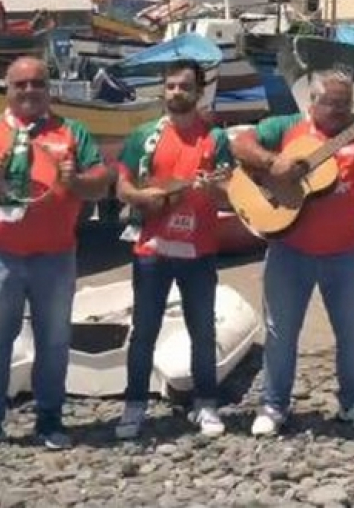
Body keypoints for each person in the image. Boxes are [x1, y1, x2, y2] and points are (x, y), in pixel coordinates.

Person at [231, 70, 354, 437]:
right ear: (312, 101)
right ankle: (274, 405)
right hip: (290, 249)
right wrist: (272, 163)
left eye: (345, 104)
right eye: (331, 103)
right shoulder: (285, 126)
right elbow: (240, 143)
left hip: (347, 252)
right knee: (281, 332)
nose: (339, 111)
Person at [113, 60, 233, 440]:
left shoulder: (216, 139)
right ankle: (134, 406)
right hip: (152, 252)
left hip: (199, 252)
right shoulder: (145, 136)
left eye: (184, 87)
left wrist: (211, 187)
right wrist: (144, 197)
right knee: (144, 331)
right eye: (170, 86)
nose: (176, 93)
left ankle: (206, 403)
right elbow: (123, 187)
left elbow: (229, 189)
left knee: (202, 329)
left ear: (199, 93)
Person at [0, 56, 114, 449]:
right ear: (8, 88)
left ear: (49, 89)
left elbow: (101, 184)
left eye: (38, 83)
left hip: (56, 256)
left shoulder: (72, 131)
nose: (30, 90)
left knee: (53, 341)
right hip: (2, 256)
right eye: (21, 84)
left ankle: (49, 419)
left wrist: (77, 180)